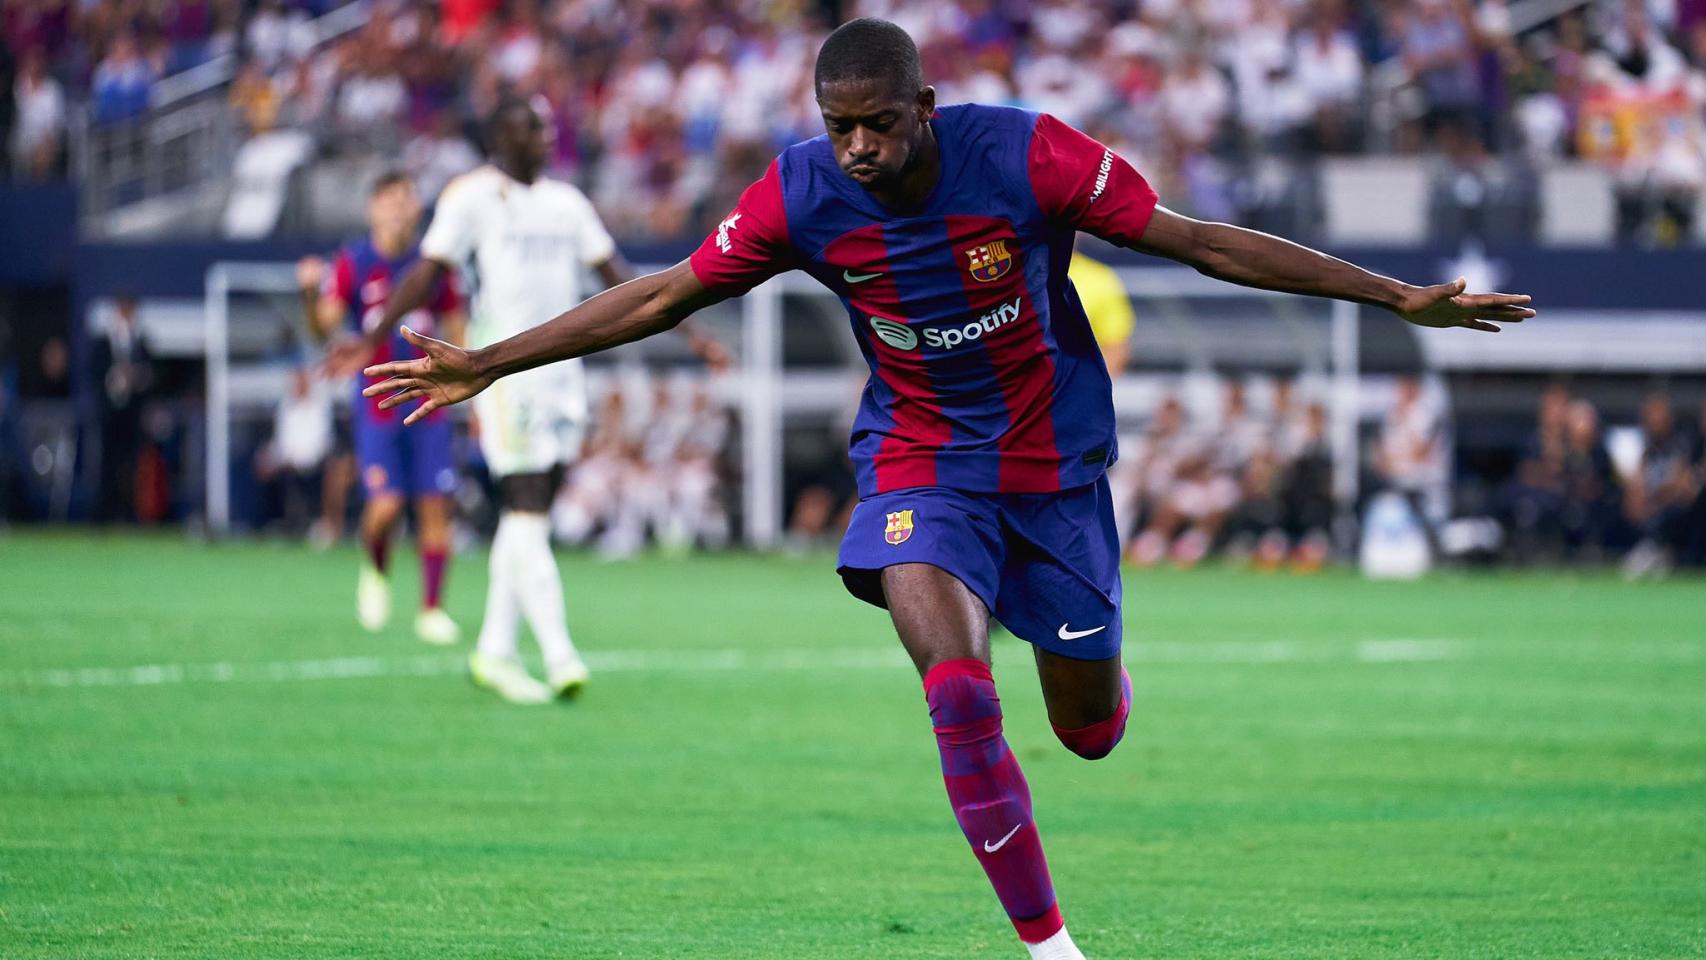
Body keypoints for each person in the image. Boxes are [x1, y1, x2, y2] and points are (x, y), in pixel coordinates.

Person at [360, 19, 1534, 958]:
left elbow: (1198, 240)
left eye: (875, 126)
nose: (856, 149)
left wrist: (1394, 297)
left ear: (922, 109)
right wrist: (491, 359)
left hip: (1052, 468)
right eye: (837, 128)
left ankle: (1099, 669)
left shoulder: (1027, 154)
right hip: (919, 463)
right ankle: (1050, 946)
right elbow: (664, 293)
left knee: (1087, 732)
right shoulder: (799, 192)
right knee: (956, 689)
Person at [347, 95, 731, 704]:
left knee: (531, 516)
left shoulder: (567, 203)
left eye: (550, 127)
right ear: (501, 136)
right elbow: (425, 271)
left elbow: (623, 281)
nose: (546, 136)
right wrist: (370, 336)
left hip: (563, 376)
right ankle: (559, 653)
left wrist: (693, 337)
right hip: (498, 373)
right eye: (531, 127)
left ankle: (494, 651)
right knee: (526, 508)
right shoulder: (470, 196)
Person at [297, 170, 465, 644]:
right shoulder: (354, 263)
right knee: (387, 506)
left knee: (436, 507)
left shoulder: (434, 265)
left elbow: (458, 326)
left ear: (417, 209)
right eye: (388, 200)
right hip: (379, 402)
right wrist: (309, 291)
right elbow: (323, 329)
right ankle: (375, 569)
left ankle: (431, 609)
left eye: (406, 199)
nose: (397, 209)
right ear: (372, 209)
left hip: (431, 400)